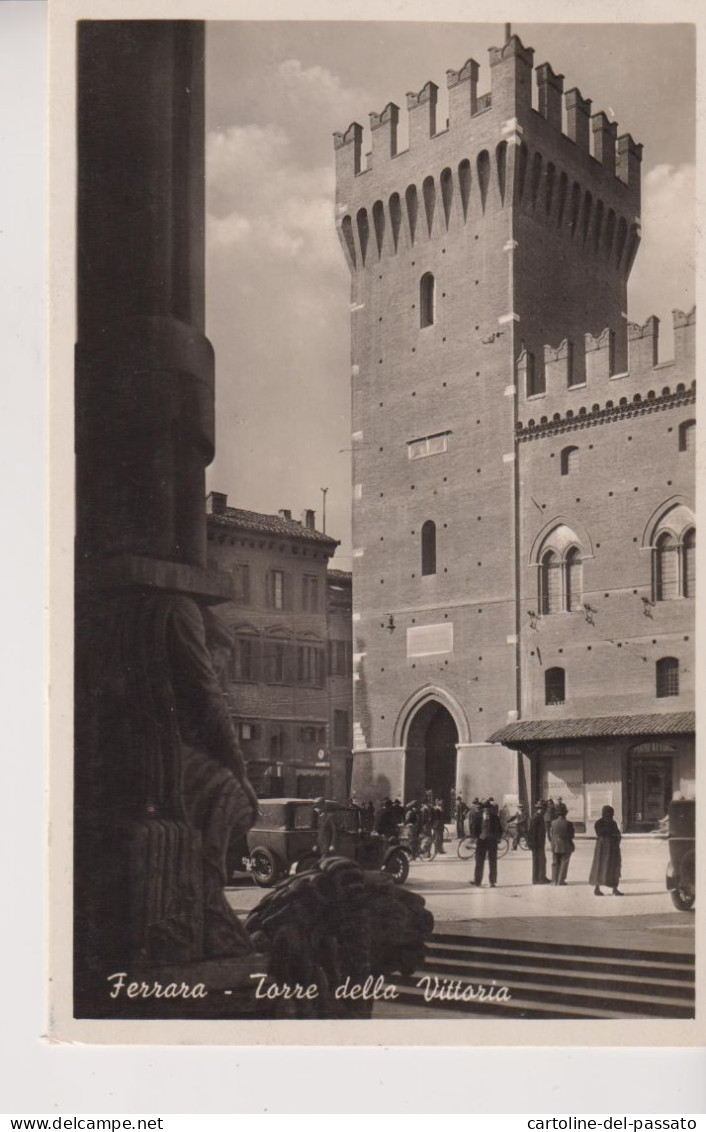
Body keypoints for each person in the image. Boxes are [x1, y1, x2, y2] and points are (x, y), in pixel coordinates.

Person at [589, 805, 623, 895]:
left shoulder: (599, 823)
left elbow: (603, 833)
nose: (610, 815)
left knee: (600, 866)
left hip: (602, 848)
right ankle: (613, 889)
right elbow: (616, 834)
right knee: (613, 867)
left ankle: (598, 888)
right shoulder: (611, 823)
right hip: (610, 848)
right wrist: (615, 838)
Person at [468, 798, 503, 887]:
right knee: (479, 861)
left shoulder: (495, 818)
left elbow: (500, 830)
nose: (487, 810)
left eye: (488, 808)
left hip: (492, 842)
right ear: (483, 809)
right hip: (481, 842)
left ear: (490, 809)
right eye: (485, 808)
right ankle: (477, 881)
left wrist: (496, 837)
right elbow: (474, 829)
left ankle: (492, 881)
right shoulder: (478, 817)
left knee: (493, 861)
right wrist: (477, 836)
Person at [550, 802, 575, 886]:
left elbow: (552, 834)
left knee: (555, 862)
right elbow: (571, 836)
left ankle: (554, 880)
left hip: (555, 845)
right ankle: (561, 880)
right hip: (565, 845)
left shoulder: (553, 822)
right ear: (565, 813)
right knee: (564, 862)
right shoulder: (569, 823)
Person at [527, 801, 551, 884]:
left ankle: (540, 878)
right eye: (544, 809)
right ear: (541, 809)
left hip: (539, 843)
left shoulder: (539, 816)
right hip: (536, 844)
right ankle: (538, 879)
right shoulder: (536, 817)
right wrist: (531, 844)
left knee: (541, 860)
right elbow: (531, 832)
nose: (545, 811)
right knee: (539, 861)